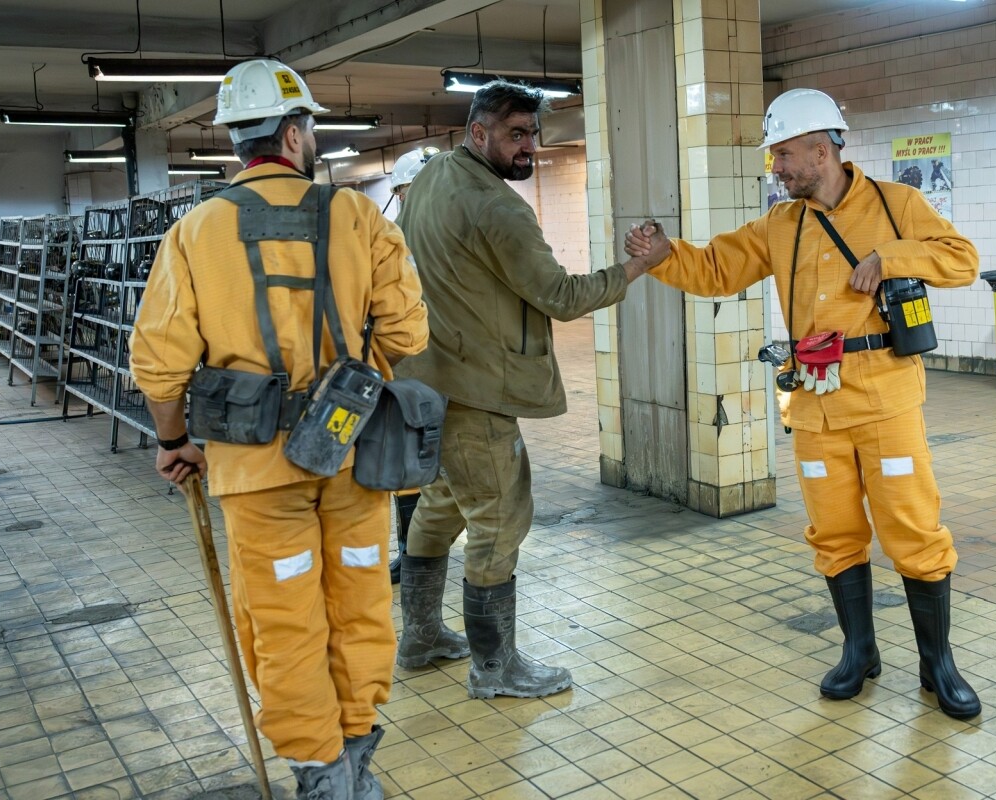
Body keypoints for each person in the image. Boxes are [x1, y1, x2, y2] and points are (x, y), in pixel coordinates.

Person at [625, 87, 981, 720]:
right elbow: (717, 269)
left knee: (913, 530)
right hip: (815, 403)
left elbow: (962, 260)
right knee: (834, 532)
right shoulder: (780, 224)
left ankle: (938, 665)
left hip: (886, 398)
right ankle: (859, 652)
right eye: (775, 157)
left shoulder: (896, 204)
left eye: (784, 154)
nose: (777, 167)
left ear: (823, 150)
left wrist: (889, 257)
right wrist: (664, 256)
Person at [129, 59, 428, 799]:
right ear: (294, 134)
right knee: (359, 603)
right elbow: (407, 332)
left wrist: (173, 442)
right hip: (352, 456)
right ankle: (357, 757)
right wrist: (347, 374)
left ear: (239, 139)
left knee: (284, 618)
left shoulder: (194, 233)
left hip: (255, 469)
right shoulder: (358, 217)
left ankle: (321, 776)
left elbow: (160, 366)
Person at [393, 79, 655, 699]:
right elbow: (561, 296)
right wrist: (638, 266)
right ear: (478, 132)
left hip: (425, 382)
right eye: (515, 135)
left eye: (531, 134)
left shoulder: (431, 178)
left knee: (441, 505)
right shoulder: (499, 208)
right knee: (499, 518)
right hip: (476, 390)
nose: (527, 147)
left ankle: (421, 637)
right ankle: (495, 668)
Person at [384, 145, 439, 585]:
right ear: (401, 193)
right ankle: (413, 552)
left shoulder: (456, 230)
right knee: (410, 463)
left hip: (437, 366)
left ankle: (419, 552)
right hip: (413, 366)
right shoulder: (390, 240)